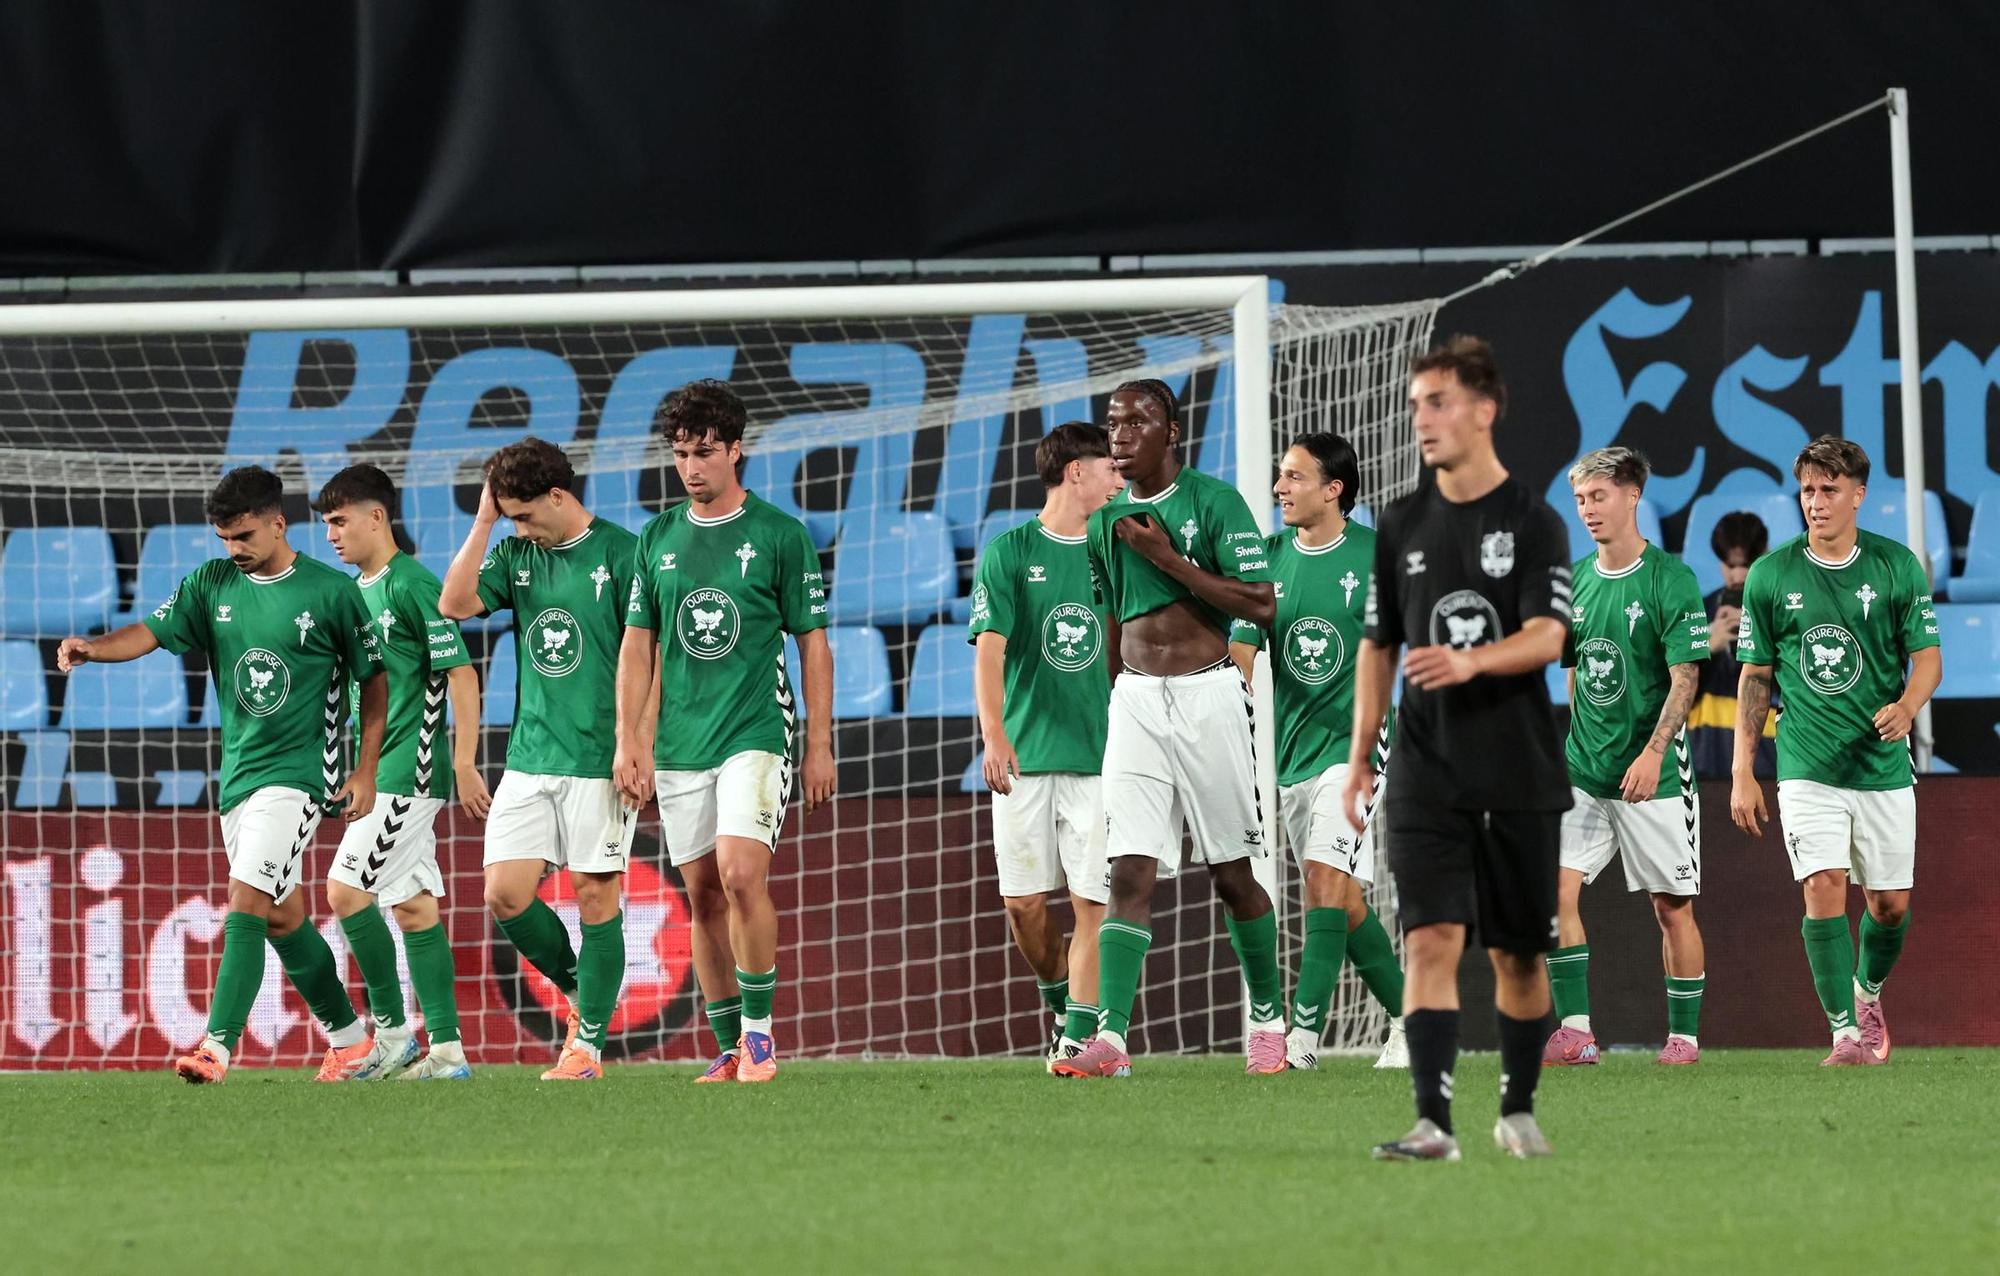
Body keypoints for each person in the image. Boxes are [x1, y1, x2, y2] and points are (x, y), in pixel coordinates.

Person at [59, 465, 386, 1084]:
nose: (234, 549)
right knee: (282, 917)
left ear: (278, 524)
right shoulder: (211, 583)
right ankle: (351, 1044)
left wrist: (365, 769)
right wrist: (94, 648)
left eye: (244, 536)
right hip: (238, 779)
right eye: (225, 538)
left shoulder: (331, 593)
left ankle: (217, 1046)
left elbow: (374, 682)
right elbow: (150, 632)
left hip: (299, 777)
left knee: (246, 899)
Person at [1344, 336, 1569, 1161]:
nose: (1422, 419)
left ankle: (1517, 1109)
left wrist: (1473, 660)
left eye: (1437, 402)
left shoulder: (1535, 522)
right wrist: (1361, 753)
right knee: (1429, 940)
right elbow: (1379, 645)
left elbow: (1548, 636)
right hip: (1425, 767)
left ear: (1485, 410)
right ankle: (1434, 1124)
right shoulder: (1399, 523)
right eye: (1417, 405)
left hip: (1517, 768)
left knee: (1518, 956)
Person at [1052, 379, 1284, 1080]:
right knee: (1127, 869)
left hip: (1210, 694)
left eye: (1138, 421)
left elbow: (1261, 604)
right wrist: (1113, 699)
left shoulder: (1214, 502)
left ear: (1172, 431)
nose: (1121, 435)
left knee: (1232, 874)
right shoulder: (1104, 522)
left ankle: (1268, 1021)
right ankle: (1112, 1040)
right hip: (1135, 702)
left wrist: (1168, 560)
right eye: (1113, 423)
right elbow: (1111, 618)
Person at [614, 380, 835, 1084]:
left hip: (755, 730)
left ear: (736, 450)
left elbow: (813, 644)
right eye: (681, 454)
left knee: (741, 875)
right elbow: (638, 646)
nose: (691, 467)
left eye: (704, 452)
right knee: (704, 896)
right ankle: (729, 1044)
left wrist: (821, 744)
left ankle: (761, 1037)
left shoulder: (779, 534)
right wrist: (631, 739)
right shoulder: (657, 538)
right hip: (681, 742)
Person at [1730, 435, 1941, 1066]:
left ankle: (1867, 992)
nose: (1815, 502)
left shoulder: (1896, 565)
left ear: (1858, 495)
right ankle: (1845, 1034)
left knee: (1889, 907)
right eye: (1807, 490)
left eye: (1829, 490)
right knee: (1823, 886)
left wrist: (1908, 706)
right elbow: (1755, 677)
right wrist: (1743, 769)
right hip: (1806, 764)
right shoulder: (1770, 574)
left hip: (1880, 765)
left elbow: (1928, 660)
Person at [440, 438, 641, 1082]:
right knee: (504, 893)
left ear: (558, 496)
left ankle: (586, 1049)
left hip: (598, 756)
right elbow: (454, 604)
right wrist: (485, 521)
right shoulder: (515, 553)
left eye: (525, 515)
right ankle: (586, 989)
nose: (519, 528)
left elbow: (651, 657)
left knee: (594, 895)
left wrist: (637, 744)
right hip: (529, 756)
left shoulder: (624, 553)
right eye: (510, 517)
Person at [1226, 432, 1408, 1072]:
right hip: (1291, 752)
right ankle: (1412, 1018)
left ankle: (1300, 1039)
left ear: (1334, 490)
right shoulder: (1267, 559)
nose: (1279, 487)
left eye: (1294, 477)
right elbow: (1241, 650)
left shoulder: (1379, 557)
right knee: (1341, 897)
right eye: (1280, 475)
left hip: (1356, 747)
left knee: (1326, 881)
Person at [314, 463, 487, 1080]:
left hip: (409, 771)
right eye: (326, 524)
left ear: (376, 516)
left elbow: (461, 672)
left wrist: (463, 762)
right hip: (378, 769)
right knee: (413, 908)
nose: (331, 535)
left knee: (344, 891)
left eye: (340, 521)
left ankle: (391, 1036)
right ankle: (447, 1053)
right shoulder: (352, 593)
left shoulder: (413, 584)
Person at [1546, 447, 1710, 1069]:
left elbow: (1686, 677)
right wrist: (1576, 744)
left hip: (1654, 774)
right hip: (1584, 772)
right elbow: (1576, 670)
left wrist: (1652, 752)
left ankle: (1684, 1038)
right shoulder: (1574, 580)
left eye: (1599, 496)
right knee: (1553, 892)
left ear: (1632, 496)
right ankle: (1576, 1033)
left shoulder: (1670, 578)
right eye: (1581, 499)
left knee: (1671, 910)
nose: (1588, 509)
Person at [969, 421, 1125, 1071]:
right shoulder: (1009, 552)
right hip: (1027, 758)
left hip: (1102, 758)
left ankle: (1080, 1036)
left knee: (1094, 903)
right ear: (1076, 471)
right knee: (1023, 906)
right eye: (1110, 468)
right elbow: (990, 651)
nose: (1120, 479)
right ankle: (1062, 1002)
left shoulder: (1119, 547)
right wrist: (995, 735)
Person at [1689, 512, 1777, 779]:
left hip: (1770, 763)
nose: (1738, 575)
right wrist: (1706, 645)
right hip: (1705, 762)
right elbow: (1662, 690)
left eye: (1746, 565)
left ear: (1765, 554)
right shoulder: (1697, 611)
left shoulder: (1785, 610)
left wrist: (1762, 634)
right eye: (1730, 565)